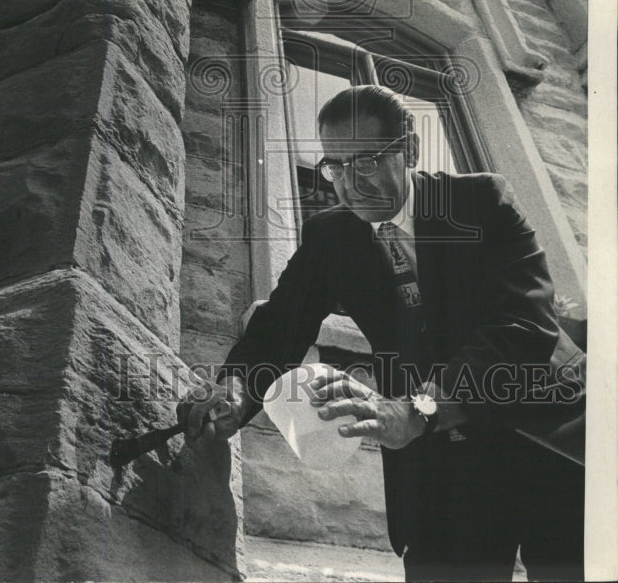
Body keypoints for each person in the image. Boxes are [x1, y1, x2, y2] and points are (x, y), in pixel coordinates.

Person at [177, 84, 586, 582]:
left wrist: (418, 408)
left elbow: (522, 327)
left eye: (365, 161)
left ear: (408, 150)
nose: (348, 185)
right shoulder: (331, 236)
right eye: (335, 166)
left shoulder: (481, 200)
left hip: (547, 431)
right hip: (442, 465)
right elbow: (277, 328)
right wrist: (235, 390)